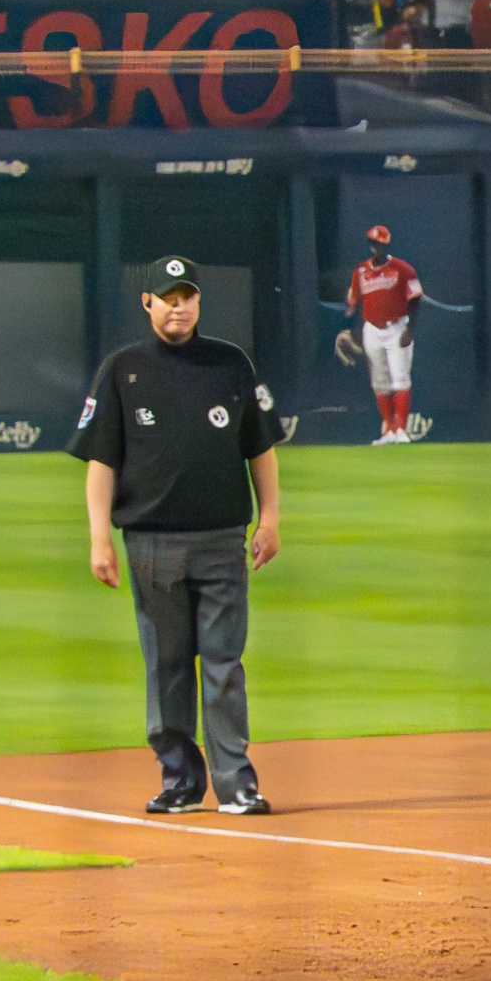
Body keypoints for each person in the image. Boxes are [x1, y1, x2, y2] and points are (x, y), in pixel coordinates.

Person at [70, 256, 282, 818]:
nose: (178, 307)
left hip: (221, 538)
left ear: (198, 302)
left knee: (223, 662)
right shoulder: (124, 370)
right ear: (148, 303)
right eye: (167, 298)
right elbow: (101, 461)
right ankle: (181, 779)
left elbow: (260, 447)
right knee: (166, 664)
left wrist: (269, 519)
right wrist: (99, 538)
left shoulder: (230, 363)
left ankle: (236, 783)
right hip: (151, 540)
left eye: (187, 297)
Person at [336, 225, 422, 445]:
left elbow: (415, 298)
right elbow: (353, 302)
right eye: (375, 244)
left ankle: (400, 430)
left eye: (382, 244)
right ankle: (387, 429)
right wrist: (350, 318)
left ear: (388, 245)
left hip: (397, 327)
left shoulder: (403, 268)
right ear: (370, 245)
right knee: (379, 381)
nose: (378, 248)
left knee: (400, 377)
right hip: (372, 328)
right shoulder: (360, 271)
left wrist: (409, 329)